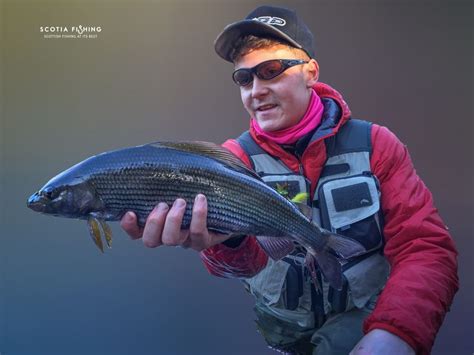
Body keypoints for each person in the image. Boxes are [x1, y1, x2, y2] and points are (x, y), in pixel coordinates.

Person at [120, 5, 458, 355]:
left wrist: (396, 334)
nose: (256, 90)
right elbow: (243, 267)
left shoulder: (376, 145)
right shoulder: (231, 160)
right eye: (244, 79)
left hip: (371, 324)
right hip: (285, 339)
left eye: (271, 71)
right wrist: (226, 241)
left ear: (311, 72)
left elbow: (427, 249)